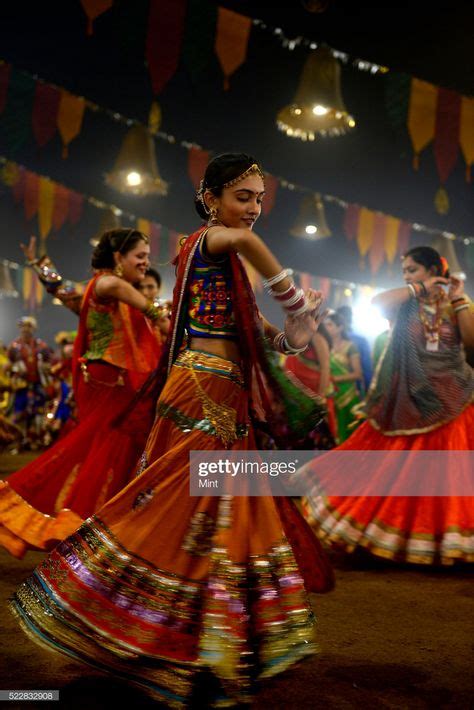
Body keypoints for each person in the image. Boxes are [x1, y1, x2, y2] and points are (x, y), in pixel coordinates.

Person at [11, 153, 334, 707]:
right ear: (210, 198)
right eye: (243, 197)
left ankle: (208, 639)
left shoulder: (224, 262)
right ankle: (119, 615)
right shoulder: (211, 241)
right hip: (200, 389)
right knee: (180, 506)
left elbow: (259, 334)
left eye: (260, 199)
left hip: (221, 391)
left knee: (219, 512)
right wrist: (293, 295)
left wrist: (296, 332)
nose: (254, 209)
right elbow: (249, 250)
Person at [302, 246, 474, 565]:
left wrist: (460, 298)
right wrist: (421, 286)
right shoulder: (403, 304)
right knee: (392, 468)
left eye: (413, 270)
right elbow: (376, 302)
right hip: (407, 399)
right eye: (405, 272)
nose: (407, 276)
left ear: (435, 268)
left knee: (450, 475)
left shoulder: (457, 303)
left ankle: (447, 544)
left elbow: (472, 341)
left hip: (454, 399)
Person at [0, 228, 163, 558]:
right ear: (118, 258)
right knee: (101, 455)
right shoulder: (110, 291)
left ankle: (116, 530)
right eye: (140, 257)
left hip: (142, 391)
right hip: (118, 389)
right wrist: (40, 266)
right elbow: (74, 290)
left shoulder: (133, 306)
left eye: (148, 259)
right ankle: (93, 530)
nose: (145, 266)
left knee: (112, 458)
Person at [283, 322, 337, 446]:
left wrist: (320, 397)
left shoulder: (316, 337)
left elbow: (325, 368)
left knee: (318, 432)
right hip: (298, 391)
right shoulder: (298, 335)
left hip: (314, 390)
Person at [7, 316, 53, 450]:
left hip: (38, 384)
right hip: (21, 385)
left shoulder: (41, 346)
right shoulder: (14, 347)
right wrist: (10, 368)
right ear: (20, 329)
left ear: (33, 329)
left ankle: (36, 439)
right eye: (23, 327)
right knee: (19, 413)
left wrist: (46, 367)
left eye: (29, 327)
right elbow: (8, 363)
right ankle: (19, 441)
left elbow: (49, 361)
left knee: (38, 412)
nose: (26, 330)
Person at [325, 312, 362, 443]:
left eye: (330, 325)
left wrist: (333, 380)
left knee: (350, 436)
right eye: (326, 325)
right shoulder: (323, 347)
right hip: (330, 396)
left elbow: (358, 374)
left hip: (348, 397)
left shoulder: (350, 347)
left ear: (340, 328)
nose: (326, 328)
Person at [336, 305, 372, 395]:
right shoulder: (361, 340)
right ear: (351, 319)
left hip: (332, 390)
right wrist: (368, 391)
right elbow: (367, 369)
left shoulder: (328, 339)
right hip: (354, 391)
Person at [136, 267, 171, 341]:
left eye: (150, 287)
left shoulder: (168, 313)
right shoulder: (128, 313)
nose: (145, 292)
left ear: (158, 288)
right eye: (140, 287)